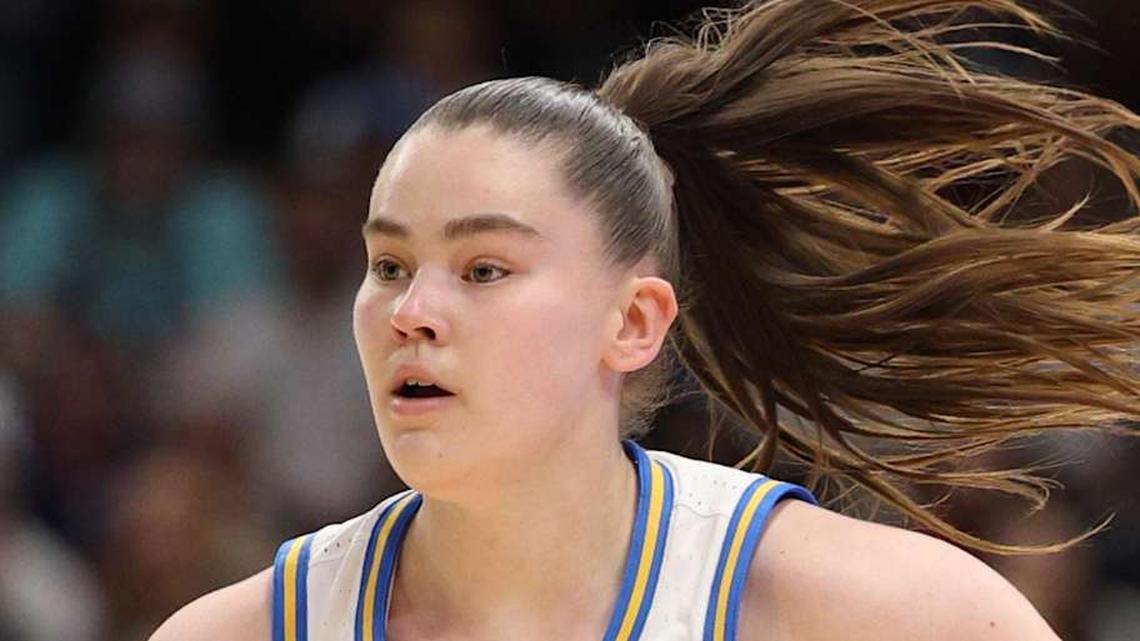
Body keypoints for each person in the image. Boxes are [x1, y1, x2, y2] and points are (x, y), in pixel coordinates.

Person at [149, 1, 1140, 639]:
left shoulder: (894, 615)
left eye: (483, 266)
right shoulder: (240, 629)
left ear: (633, 320)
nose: (411, 312)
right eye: (390, 263)